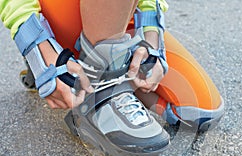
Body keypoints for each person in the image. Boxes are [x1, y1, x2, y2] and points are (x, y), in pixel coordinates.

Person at [0, 0, 224, 135]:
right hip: (58, 12)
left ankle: (110, 70)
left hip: (118, 14)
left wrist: (151, 35)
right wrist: (38, 49)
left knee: (202, 111)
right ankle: (103, 93)